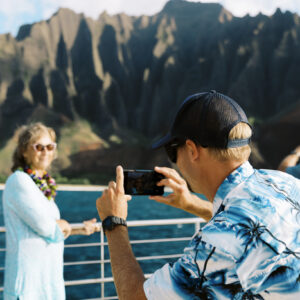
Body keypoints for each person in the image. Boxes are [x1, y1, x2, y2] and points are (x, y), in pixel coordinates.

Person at [96, 90, 300, 299]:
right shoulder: (286, 183)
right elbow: (251, 232)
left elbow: (135, 297)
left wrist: (114, 222)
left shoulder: (218, 243)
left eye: (172, 150)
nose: (174, 161)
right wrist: (191, 203)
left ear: (192, 150)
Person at [2, 122, 98, 300]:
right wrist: (63, 225)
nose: (45, 152)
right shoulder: (19, 181)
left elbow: (50, 229)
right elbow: (46, 228)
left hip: (48, 280)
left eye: (50, 146)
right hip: (28, 284)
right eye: (38, 147)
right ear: (24, 151)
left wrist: (79, 229)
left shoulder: (44, 185)